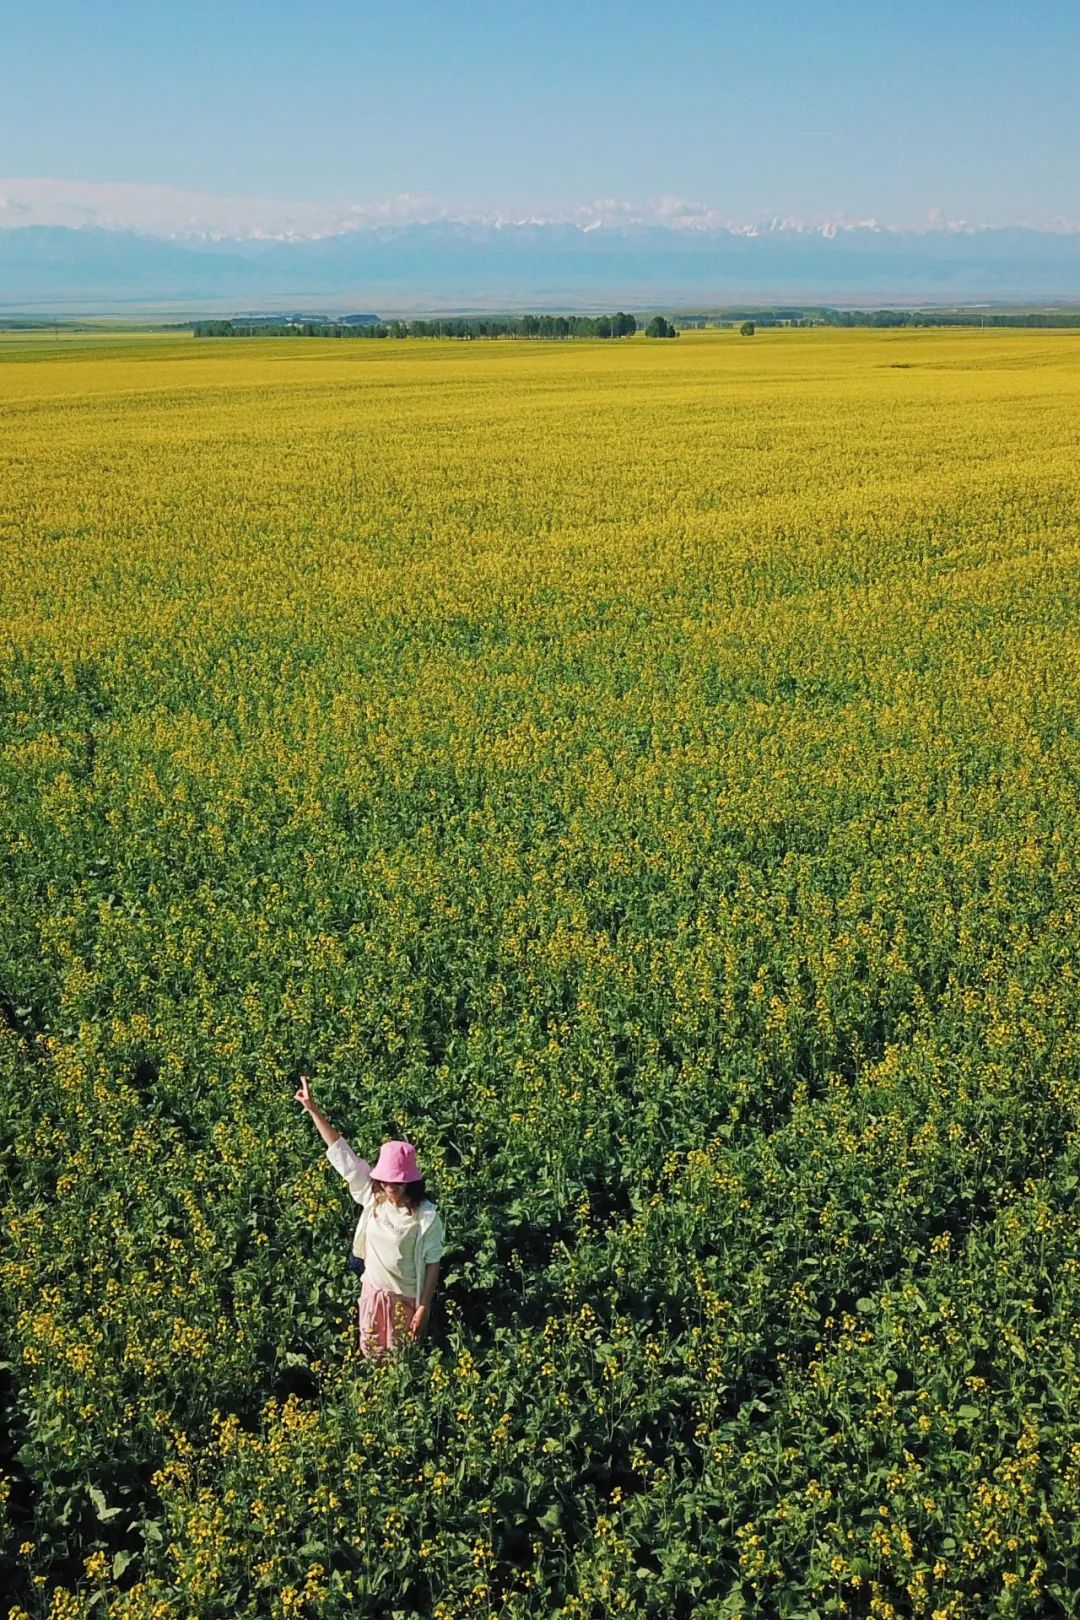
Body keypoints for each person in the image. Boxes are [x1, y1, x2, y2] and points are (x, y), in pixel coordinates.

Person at [294, 1075, 444, 1358]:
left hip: (405, 1298)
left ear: (410, 1181)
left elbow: (433, 1263)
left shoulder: (425, 1217)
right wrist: (313, 1110)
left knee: (402, 1359)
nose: (390, 1187)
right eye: (386, 1180)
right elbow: (342, 1156)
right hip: (373, 1292)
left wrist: (423, 1308)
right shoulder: (374, 1195)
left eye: (397, 1182)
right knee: (371, 1352)